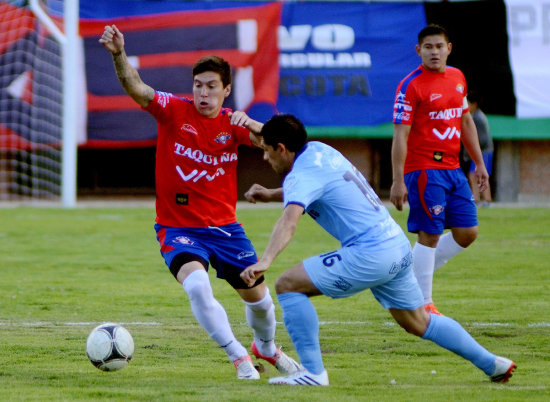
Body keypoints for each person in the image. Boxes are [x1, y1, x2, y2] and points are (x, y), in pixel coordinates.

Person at [240, 113, 516, 386]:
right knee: (419, 322)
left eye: (266, 151)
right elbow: (308, 181)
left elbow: (289, 221)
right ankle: (492, 363)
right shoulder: (319, 150)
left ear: (281, 148)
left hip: (371, 253)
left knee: (288, 285)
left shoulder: (300, 174)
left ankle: (313, 373)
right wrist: (271, 192)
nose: (265, 158)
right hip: (396, 246)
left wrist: (266, 259)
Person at [99, 25, 300, 380]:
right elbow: (136, 87)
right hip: (178, 228)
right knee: (197, 285)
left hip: (226, 230)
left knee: (262, 304)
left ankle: (266, 347)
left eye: (211, 86)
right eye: (198, 85)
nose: (203, 93)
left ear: (226, 90)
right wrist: (119, 54)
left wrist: (251, 121)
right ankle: (238, 356)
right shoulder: (173, 111)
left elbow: (276, 141)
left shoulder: (232, 124)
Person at [390, 24, 489, 315]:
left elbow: (466, 122)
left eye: (439, 46)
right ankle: (422, 301)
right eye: (428, 47)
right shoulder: (410, 85)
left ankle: (408, 271)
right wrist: (398, 180)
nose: (434, 52)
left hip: (453, 168)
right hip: (423, 168)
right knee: (429, 234)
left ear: (449, 48)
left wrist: (479, 163)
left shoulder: (457, 78)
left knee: (468, 232)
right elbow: (400, 135)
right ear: (418, 50)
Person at [465, 91, 494, 206]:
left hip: (484, 151)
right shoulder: (473, 116)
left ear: (474, 104)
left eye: (468, 103)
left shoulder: (478, 118)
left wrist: (471, 150)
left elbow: (482, 140)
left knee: (480, 175)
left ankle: (487, 200)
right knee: (473, 175)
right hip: (478, 152)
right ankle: (476, 199)